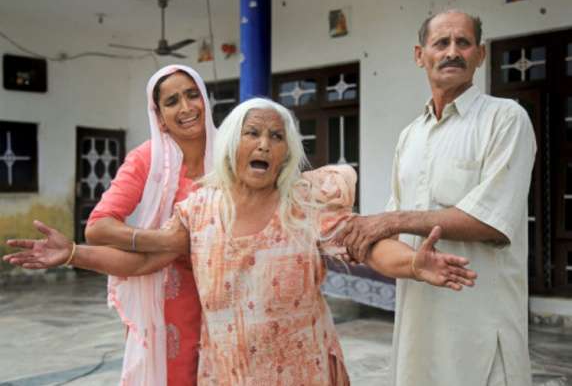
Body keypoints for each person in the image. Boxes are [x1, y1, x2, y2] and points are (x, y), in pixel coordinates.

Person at [5, 98, 477, 385]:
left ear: (286, 154)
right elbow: (146, 261)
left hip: (302, 372)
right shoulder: (199, 208)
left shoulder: (305, 203)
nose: (265, 143)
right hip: (227, 373)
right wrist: (72, 253)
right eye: (253, 133)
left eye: (276, 136)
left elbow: (366, 246)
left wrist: (414, 264)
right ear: (232, 145)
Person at [336, 10, 536, 386]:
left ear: (481, 54)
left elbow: (492, 220)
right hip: (417, 337)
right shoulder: (410, 136)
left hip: (481, 336)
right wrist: (362, 242)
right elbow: (389, 238)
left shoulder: (505, 119)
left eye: (464, 43)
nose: (452, 52)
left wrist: (390, 221)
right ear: (420, 55)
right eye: (441, 43)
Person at [84, 64, 217, 385]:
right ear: (158, 115)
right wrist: (166, 242)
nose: (186, 108)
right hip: (170, 296)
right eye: (171, 102)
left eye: (192, 95)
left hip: (229, 291)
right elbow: (98, 227)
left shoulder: (231, 152)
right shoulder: (148, 159)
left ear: (205, 98)